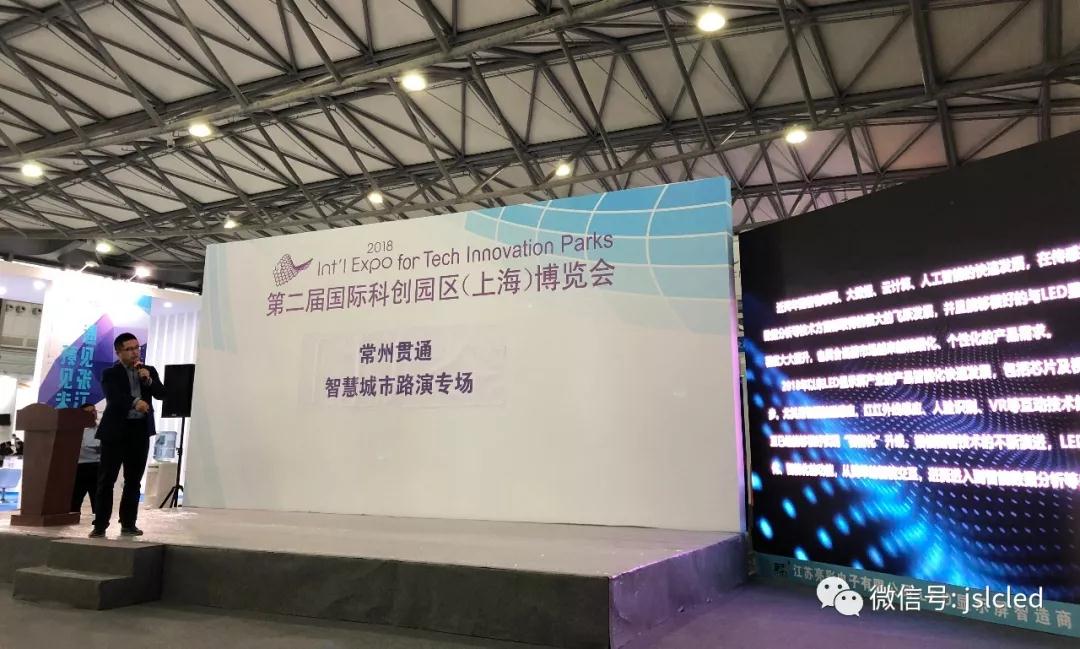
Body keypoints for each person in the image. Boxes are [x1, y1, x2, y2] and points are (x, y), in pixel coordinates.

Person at [91, 333, 166, 538]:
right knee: (107, 480)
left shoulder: (148, 370)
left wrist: (148, 380)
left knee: (133, 481)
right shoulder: (110, 373)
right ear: (119, 352)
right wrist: (135, 402)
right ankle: (100, 525)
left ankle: (128, 523)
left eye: (137, 348)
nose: (135, 352)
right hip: (115, 432)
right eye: (129, 349)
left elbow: (161, 393)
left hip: (139, 431)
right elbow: (114, 397)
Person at [71, 403, 100, 514]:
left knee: (98, 501)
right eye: (89, 412)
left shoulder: (102, 428)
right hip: (80, 467)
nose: (93, 413)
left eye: (94, 410)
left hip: (97, 467)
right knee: (75, 500)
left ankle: (98, 522)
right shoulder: (76, 429)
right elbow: (84, 447)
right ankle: (73, 520)